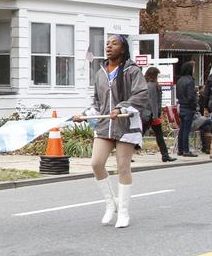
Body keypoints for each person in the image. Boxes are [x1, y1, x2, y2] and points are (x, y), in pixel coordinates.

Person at [72, 34, 148, 229]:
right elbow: (98, 102)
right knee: (96, 163)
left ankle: (123, 212)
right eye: (107, 44)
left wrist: (122, 109)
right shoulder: (101, 72)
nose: (109, 46)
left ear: (123, 49)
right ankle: (110, 203)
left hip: (125, 125)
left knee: (123, 167)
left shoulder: (132, 71)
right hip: (105, 126)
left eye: (114, 44)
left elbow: (141, 96)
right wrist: (84, 115)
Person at [142, 67, 175, 162]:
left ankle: (165, 155)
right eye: (157, 75)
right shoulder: (152, 85)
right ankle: (165, 155)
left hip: (150, 114)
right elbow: (153, 101)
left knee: (155, 134)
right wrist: (156, 116)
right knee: (143, 135)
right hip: (151, 115)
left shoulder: (147, 84)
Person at [175, 61, 197, 157]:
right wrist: (194, 106)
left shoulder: (180, 80)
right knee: (186, 130)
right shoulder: (190, 80)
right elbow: (191, 97)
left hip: (181, 105)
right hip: (188, 107)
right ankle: (186, 150)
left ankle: (180, 149)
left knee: (182, 129)